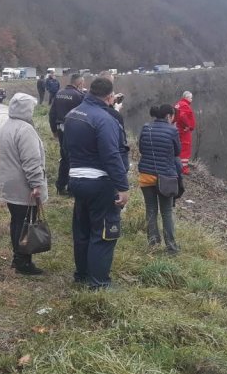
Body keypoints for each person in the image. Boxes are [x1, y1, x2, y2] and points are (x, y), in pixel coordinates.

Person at [63, 77, 129, 289]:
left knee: (82, 230)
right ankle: (99, 283)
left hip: (76, 179)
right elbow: (111, 155)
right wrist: (123, 187)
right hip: (99, 182)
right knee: (103, 233)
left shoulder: (73, 114)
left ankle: (82, 275)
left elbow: (65, 148)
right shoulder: (104, 119)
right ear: (110, 97)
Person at [0, 92, 49, 275]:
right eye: (31, 108)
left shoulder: (5, 126)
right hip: (23, 187)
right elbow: (31, 161)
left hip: (9, 184)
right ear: (26, 109)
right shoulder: (25, 130)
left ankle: (17, 258)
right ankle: (23, 262)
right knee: (26, 224)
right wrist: (36, 185)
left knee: (17, 221)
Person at [137, 105, 181, 254]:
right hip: (165, 177)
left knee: (151, 209)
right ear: (168, 116)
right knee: (166, 212)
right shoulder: (172, 130)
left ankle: (153, 244)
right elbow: (177, 151)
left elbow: (141, 149)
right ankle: (171, 247)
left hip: (146, 175)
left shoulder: (146, 128)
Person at [48, 73, 84, 195]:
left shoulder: (59, 93)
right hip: (75, 131)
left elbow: (52, 114)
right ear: (79, 83)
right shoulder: (79, 96)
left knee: (64, 157)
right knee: (75, 158)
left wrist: (53, 130)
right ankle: (71, 188)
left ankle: (60, 185)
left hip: (61, 129)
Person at [174, 91, 196, 174]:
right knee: (185, 148)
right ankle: (184, 168)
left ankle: (177, 164)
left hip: (177, 129)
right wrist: (188, 125)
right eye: (191, 98)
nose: (191, 99)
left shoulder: (178, 104)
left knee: (178, 147)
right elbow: (182, 116)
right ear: (186, 97)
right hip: (184, 131)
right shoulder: (185, 105)